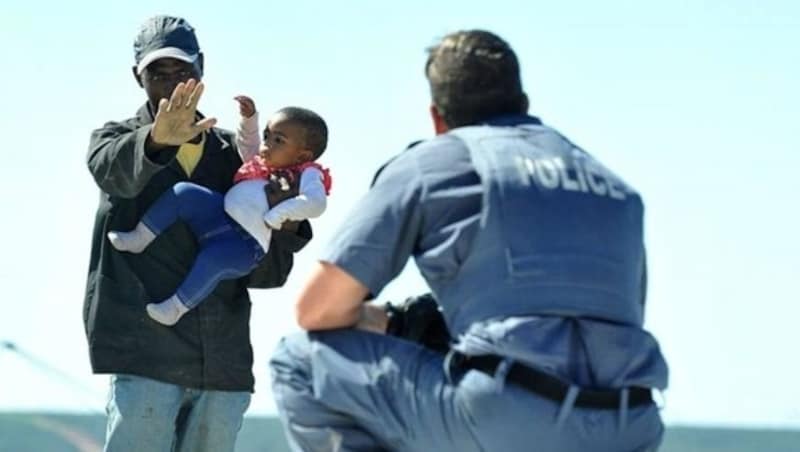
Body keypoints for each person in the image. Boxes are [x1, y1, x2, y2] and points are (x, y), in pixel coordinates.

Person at [269, 30, 669, 452]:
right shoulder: (614, 187)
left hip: (509, 418)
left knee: (298, 361)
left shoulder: (434, 163)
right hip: (631, 423)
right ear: (525, 105)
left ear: (438, 119)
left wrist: (401, 322)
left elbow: (317, 309)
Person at [83, 15, 312, 452]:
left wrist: (290, 217)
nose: (172, 83)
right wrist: (156, 143)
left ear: (201, 68)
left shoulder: (241, 160)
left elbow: (265, 274)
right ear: (138, 77)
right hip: (145, 358)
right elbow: (118, 173)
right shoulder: (113, 141)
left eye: (182, 70)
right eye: (158, 73)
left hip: (222, 368)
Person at [107, 96, 331, 326]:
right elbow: (248, 144)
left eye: (278, 141)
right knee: (185, 193)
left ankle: (174, 307)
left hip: (245, 244)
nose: (267, 145)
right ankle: (140, 237)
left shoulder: (306, 174)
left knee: (212, 260)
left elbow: (315, 203)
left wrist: (281, 213)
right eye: (267, 136)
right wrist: (249, 119)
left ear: (303, 155)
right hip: (220, 214)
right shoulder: (262, 162)